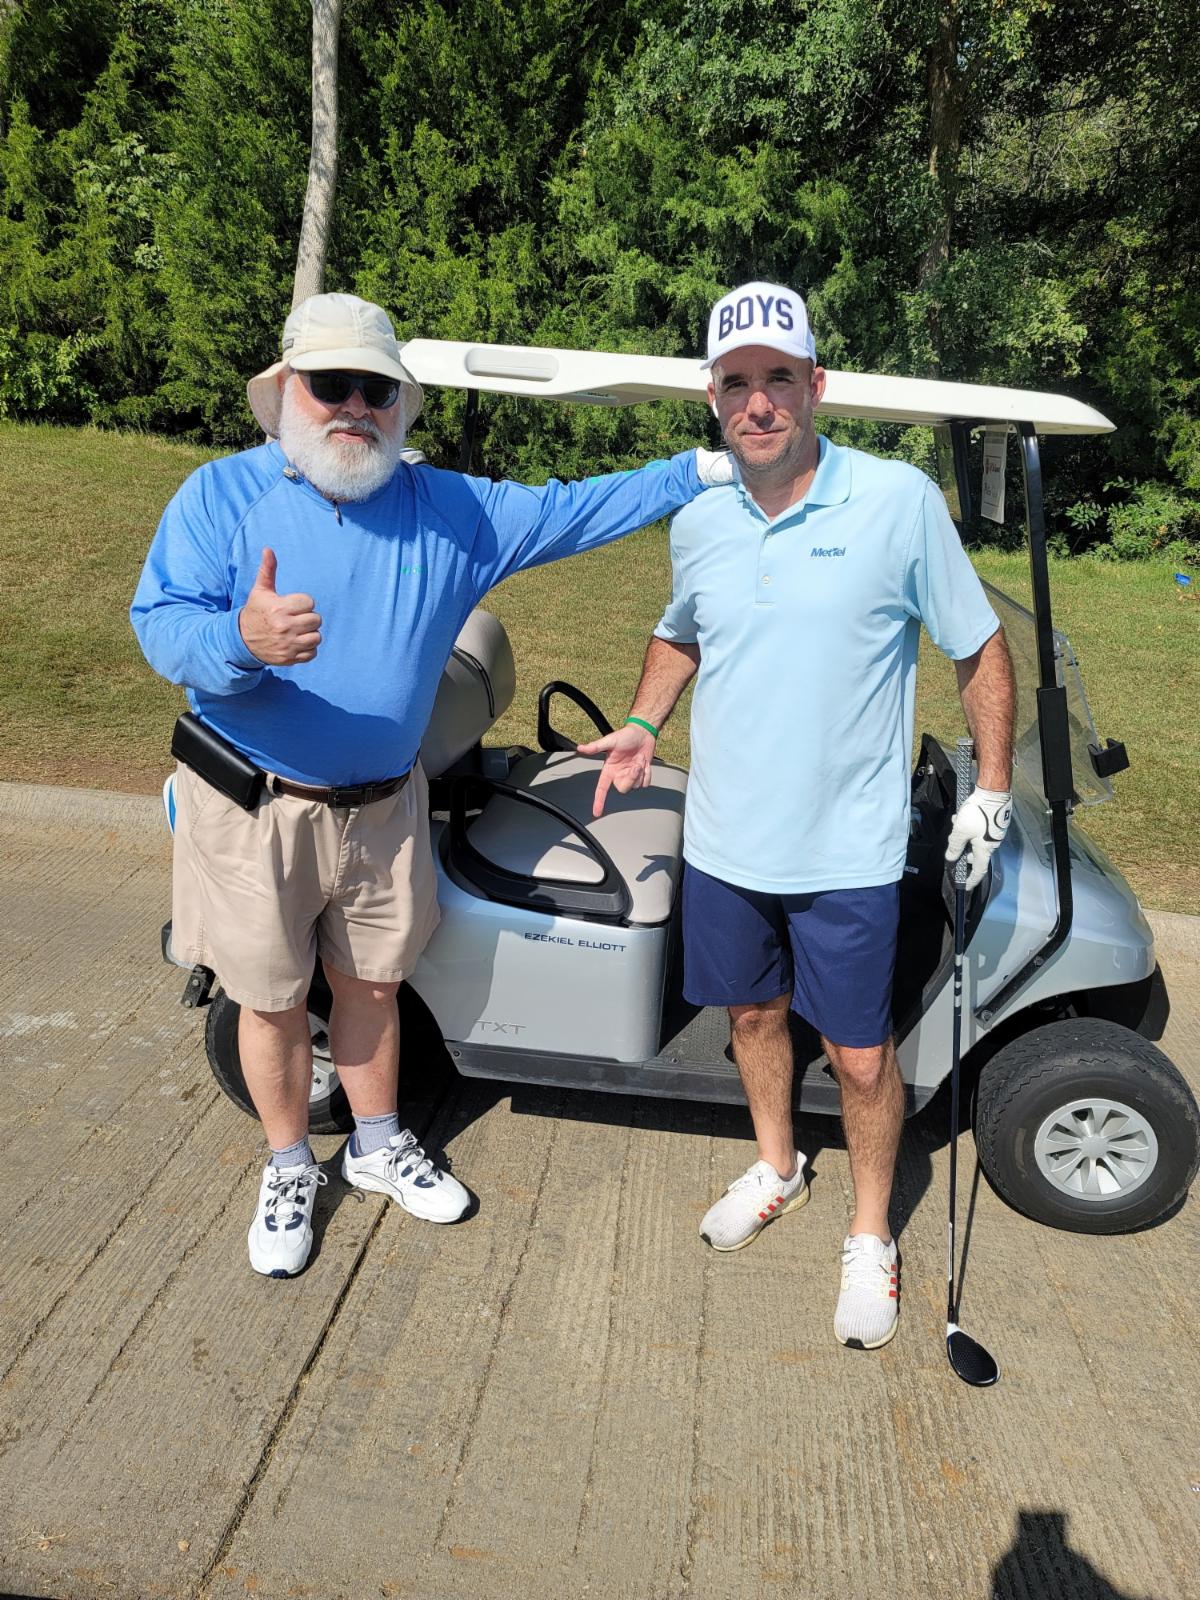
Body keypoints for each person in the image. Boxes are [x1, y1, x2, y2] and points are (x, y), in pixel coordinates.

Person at [131, 292, 731, 1280]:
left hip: (382, 805)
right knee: (273, 1000)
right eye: (332, 385)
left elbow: (576, 507)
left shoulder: (452, 510)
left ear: (402, 406)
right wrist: (238, 642)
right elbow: (160, 624)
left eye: (377, 387)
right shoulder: (218, 498)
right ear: (287, 392)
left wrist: (700, 468)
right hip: (253, 807)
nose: (354, 405)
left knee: (372, 985)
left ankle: (374, 1145)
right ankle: (289, 1166)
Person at [582, 281, 1014, 1351]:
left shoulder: (897, 500)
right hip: (728, 843)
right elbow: (680, 633)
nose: (759, 401)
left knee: (862, 1057)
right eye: (737, 382)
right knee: (750, 1022)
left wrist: (994, 786)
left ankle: (872, 1233)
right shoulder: (699, 522)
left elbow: (978, 644)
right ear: (713, 397)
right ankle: (777, 1165)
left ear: (816, 386)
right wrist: (644, 716)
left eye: (780, 378)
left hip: (850, 851)